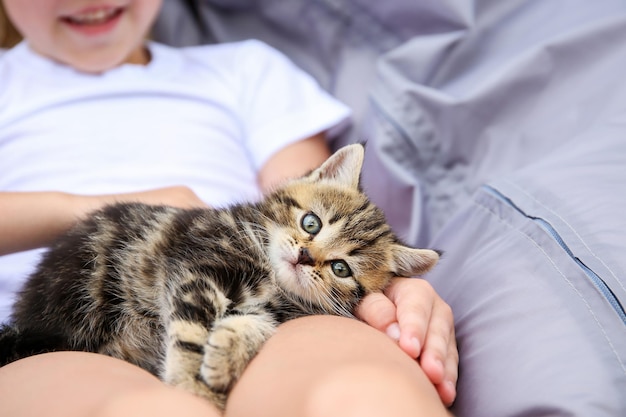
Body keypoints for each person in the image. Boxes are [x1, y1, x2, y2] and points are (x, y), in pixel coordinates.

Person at [0, 1, 458, 416]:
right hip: (63, 330)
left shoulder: (247, 68)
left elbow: (312, 203)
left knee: (362, 393)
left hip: (279, 306)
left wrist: (390, 286)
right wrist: (103, 210)